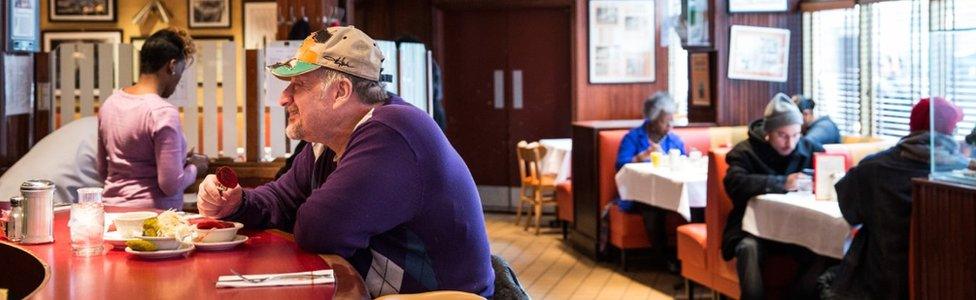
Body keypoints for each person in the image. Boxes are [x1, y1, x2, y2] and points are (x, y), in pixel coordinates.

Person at [196, 27, 494, 298]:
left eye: (298, 85)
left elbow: (319, 230)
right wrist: (235, 202)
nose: (284, 99)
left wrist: (295, 212)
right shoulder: (327, 143)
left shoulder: (392, 131)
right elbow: (281, 198)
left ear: (340, 92)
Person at [820, 97, 974, 300]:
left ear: (912, 127)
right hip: (946, 284)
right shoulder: (962, 175)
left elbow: (851, 213)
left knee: (820, 276)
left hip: (879, 283)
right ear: (950, 132)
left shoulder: (871, 169)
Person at [723, 93, 826, 299]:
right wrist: (781, 183)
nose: (790, 143)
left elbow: (831, 178)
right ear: (768, 132)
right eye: (783, 135)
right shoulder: (745, 151)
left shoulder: (811, 150)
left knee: (829, 252)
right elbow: (734, 184)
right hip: (753, 229)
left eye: (796, 135)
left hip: (799, 230)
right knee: (747, 249)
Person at [97, 28, 208, 210]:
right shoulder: (162, 112)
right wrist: (195, 168)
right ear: (172, 66)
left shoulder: (110, 104)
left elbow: (103, 170)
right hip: (153, 218)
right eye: (181, 69)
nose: (180, 78)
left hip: (110, 211)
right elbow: (170, 185)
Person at [613, 92, 692, 271]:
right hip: (639, 195)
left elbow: (683, 162)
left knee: (695, 206)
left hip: (671, 192)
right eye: (666, 122)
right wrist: (643, 155)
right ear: (652, 119)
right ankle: (663, 259)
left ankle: (690, 260)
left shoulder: (674, 140)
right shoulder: (633, 137)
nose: (670, 126)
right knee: (652, 209)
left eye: (672, 121)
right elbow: (620, 165)